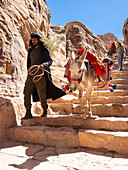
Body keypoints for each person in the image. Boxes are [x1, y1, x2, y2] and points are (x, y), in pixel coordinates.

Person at [22, 32, 66, 119]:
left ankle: (45, 110)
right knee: (26, 92)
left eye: (35, 39)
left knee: (41, 93)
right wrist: (28, 71)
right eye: (32, 40)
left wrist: (44, 65)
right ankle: (28, 112)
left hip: (40, 74)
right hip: (31, 74)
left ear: (39, 40)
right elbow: (29, 62)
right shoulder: (30, 50)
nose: (34, 41)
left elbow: (50, 61)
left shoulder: (44, 49)